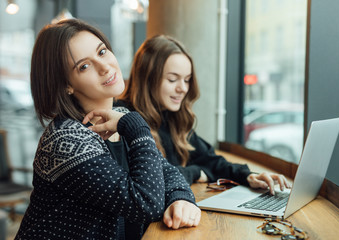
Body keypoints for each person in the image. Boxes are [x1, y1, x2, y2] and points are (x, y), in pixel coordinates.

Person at [15, 20, 200, 240]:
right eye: (84, 66)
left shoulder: (120, 116)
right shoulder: (66, 138)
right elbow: (145, 204)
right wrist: (136, 125)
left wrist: (181, 199)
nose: (105, 67)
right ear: (66, 85)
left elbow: (167, 173)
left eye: (102, 52)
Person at [117, 35, 291, 195]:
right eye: (172, 79)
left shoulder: (171, 117)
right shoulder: (122, 118)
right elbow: (154, 180)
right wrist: (195, 172)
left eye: (186, 80)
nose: (183, 88)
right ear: (147, 78)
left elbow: (209, 160)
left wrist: (248, 176)